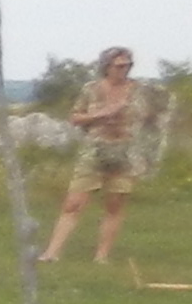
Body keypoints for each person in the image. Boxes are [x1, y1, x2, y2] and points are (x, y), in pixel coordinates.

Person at [41, 47, 163, 264]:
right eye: (119, 66)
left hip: (126, 154)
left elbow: (155, 120)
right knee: (73, 203)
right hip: (94, 152)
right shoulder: (91, 89)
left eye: (128, 65)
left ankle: (102, 256)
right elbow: (76, 118)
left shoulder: (140, 91)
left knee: (114, 204)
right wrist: (102, 114)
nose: (124, 69)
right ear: (107, 67)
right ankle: (52, 253)